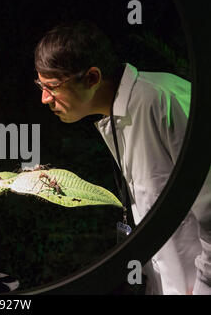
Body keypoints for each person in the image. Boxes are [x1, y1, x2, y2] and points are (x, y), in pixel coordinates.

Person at [33, 20, 211, 295]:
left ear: (92, 77)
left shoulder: (163, 100)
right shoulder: (115, 115)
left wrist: (204, 286)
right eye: (40, 84)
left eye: (53, 86)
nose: (44, 98)